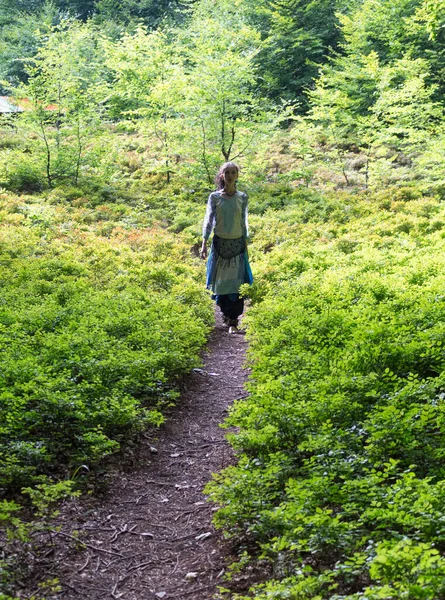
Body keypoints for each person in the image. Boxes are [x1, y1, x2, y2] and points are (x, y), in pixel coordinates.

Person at [200, 161, 253, 333]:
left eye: (233, 172)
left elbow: (244, 222)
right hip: (220, 245)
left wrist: (245, 243)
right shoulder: (214, 197)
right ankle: (225, 314)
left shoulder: (242, 197)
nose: (230, 176)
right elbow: (208, 220)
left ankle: (234, 320)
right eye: (227, 172)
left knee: (237, 282)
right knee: (222, 282)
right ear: (222, 175)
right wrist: (203, 243)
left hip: (237, 245)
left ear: (237, 175)